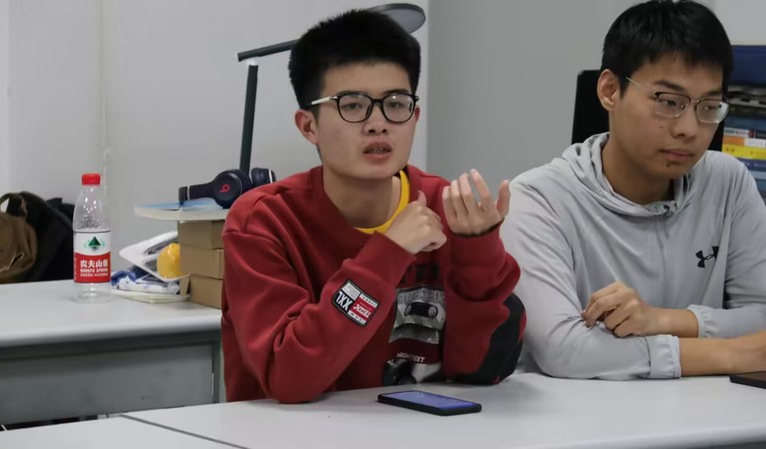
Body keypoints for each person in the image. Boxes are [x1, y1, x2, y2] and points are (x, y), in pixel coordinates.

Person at [220, 9, 525, 403]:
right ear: (308, 126)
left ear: (415, 117)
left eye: (395, 104)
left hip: (420, 430)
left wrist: (479, 250)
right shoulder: (264, 221)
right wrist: (389, 252)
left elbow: (482, 371)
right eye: (352, 105)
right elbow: (289, 377)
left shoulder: (447, 209)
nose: (378, 123)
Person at [502, 0, 766, 380]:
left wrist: (661, 319)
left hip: (706, 410)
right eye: (669, 102)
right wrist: (734, 354)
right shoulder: (539, 199)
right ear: (610, 90)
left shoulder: (728, 182)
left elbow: (761, 315)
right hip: (583, 415)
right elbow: (565, 350)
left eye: (709, 107)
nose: (689, 129)